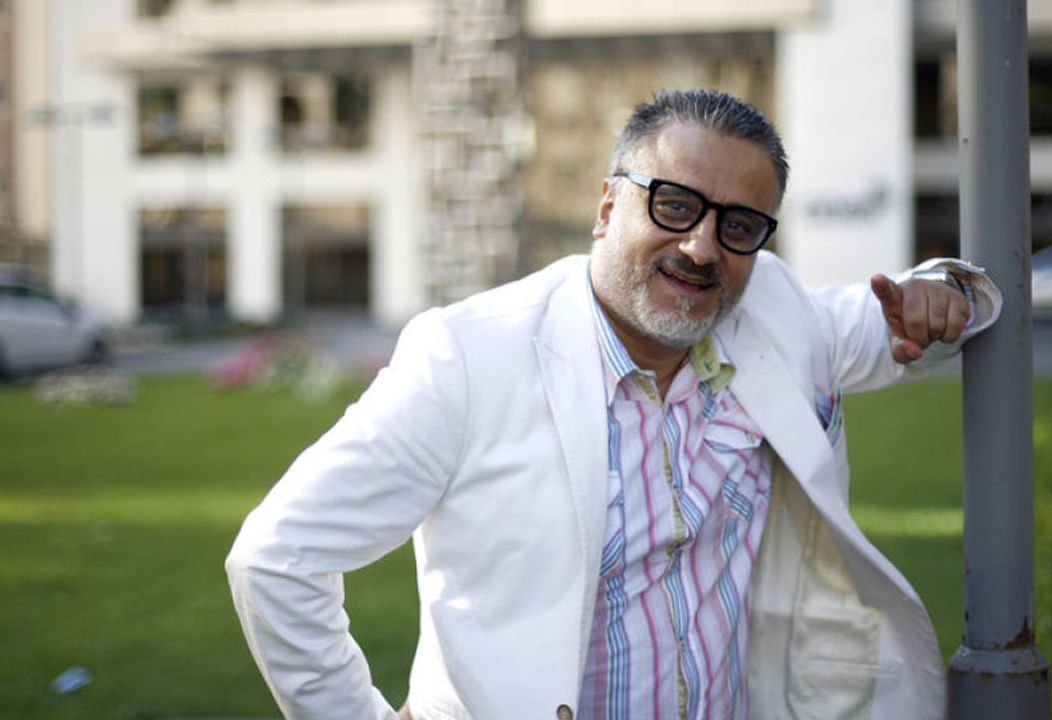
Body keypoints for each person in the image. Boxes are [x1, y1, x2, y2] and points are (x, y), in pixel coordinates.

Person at [226, 89, 1001, 720]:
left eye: (738, 226)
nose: (701, 246)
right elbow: (277, 558)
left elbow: (919, 318)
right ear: (606, 208)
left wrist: (947, 289)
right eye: (674, 204)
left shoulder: (776, 311)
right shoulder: (467, 356)